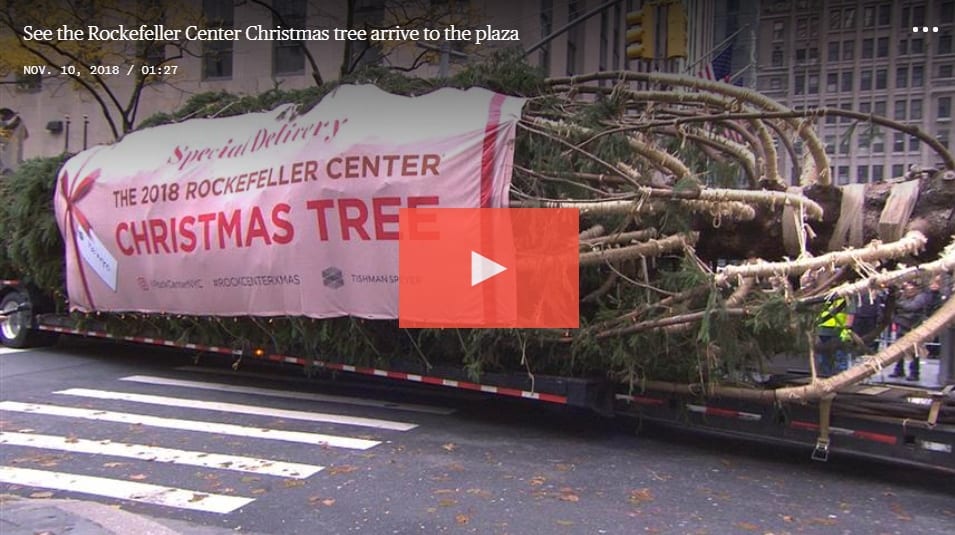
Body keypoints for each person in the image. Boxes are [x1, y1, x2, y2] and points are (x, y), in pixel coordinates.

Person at [889, 281, 933, 381]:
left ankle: (914, 372)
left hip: (913, 325)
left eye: (910, 286)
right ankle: (899, 370)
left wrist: (899, 304)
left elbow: (912, 307)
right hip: (902, 323)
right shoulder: (903, 295)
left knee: (914, 350)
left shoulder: (921, 296)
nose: (908, 288)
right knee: (899, 349)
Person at [816, 295, 852, 377]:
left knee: (840, 356)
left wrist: (847, 329)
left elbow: (851, 315)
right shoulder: (825, 297)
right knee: (823, 357)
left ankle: (842, 377)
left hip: (839, 331)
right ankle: (826, 376)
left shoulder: (846, 298)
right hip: (823, 331)